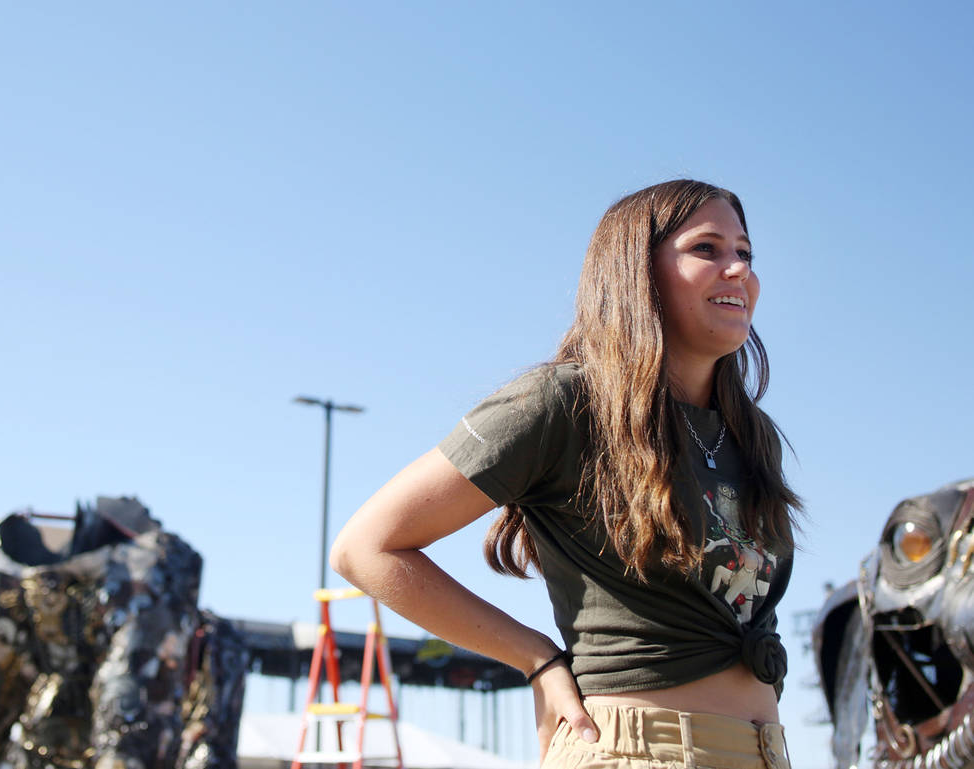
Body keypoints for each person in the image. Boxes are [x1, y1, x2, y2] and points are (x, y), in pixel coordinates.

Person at [330, 180, 801, 769]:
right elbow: (366, 548)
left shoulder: (752, 436)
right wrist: (536, 658)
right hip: (633, 750)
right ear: (637, 272)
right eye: (707, 249)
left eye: (746, 253)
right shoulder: (563, 404)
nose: (738, 270)